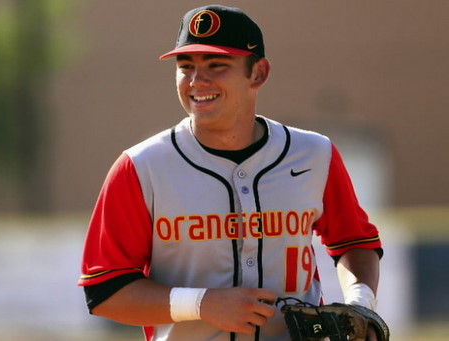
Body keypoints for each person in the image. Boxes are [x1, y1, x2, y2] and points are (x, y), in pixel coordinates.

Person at [78, 5, 383, 341]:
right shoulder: (141, 166)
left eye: (216, 66)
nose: (197, 81)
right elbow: (104, 290)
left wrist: (360, 302)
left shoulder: (314, 154)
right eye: (186, 67)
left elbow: (354, 241)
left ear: (259, 73)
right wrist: (200, 303)